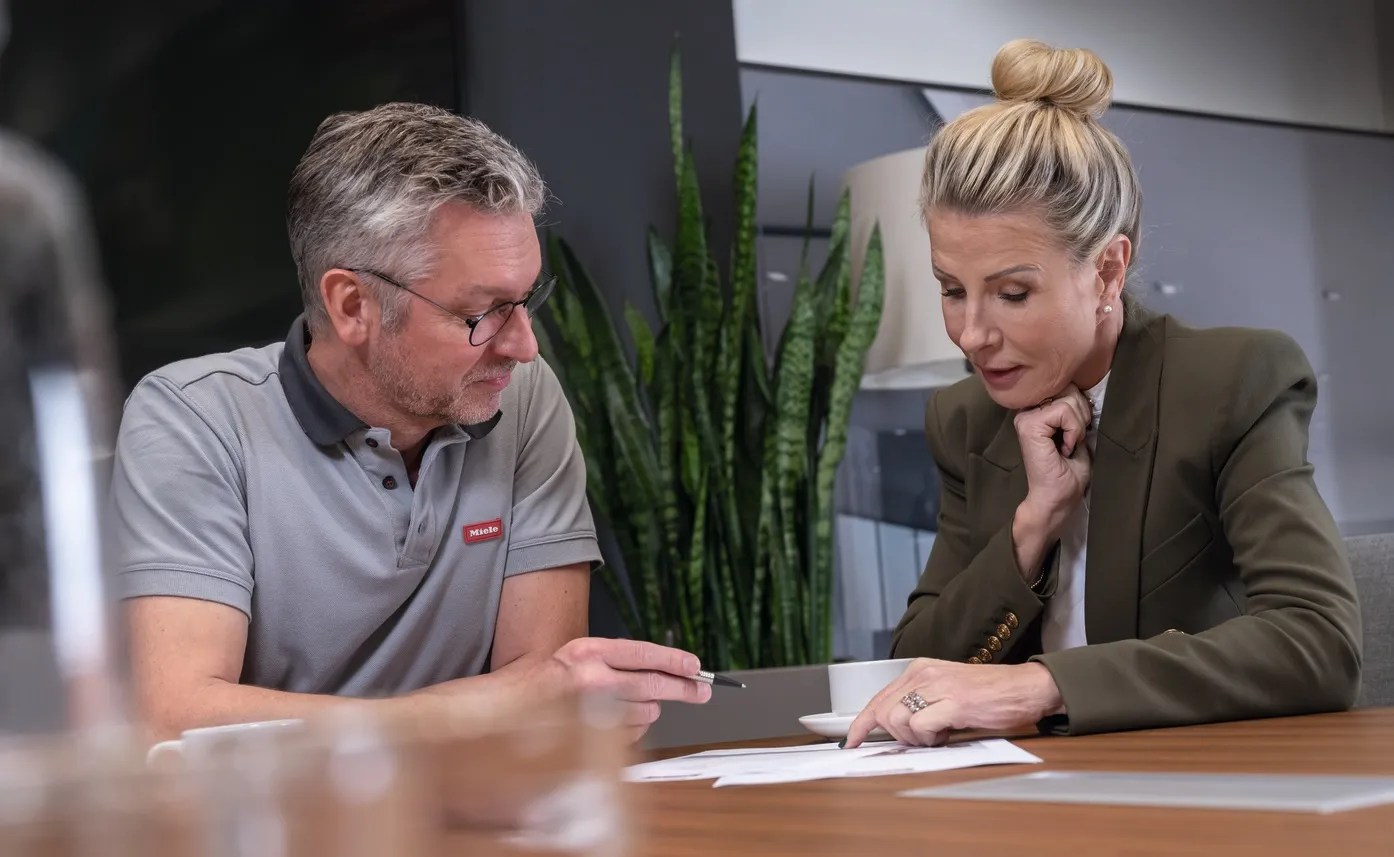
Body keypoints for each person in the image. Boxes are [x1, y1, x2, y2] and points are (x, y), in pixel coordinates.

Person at [109, 103, 709, 743]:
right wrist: (483, 710)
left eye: (527, 300)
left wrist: (521, 707)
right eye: (482, 313)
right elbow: (177, 717)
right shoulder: (194, 418)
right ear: (352, 306)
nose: (524, 346)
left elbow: (543, 710)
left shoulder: (522, 396)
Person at [845, 40, 1362, 748]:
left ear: (1109, 271)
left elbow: (1318, 642)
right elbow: (919, 669)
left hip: (1203, 783)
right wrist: (1033, 526)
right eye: (952, 289)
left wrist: (1043, 684)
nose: (971, 334)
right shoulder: (965, 419)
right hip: (1025, 790)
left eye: (1013, 293)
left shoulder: (1229, 382)